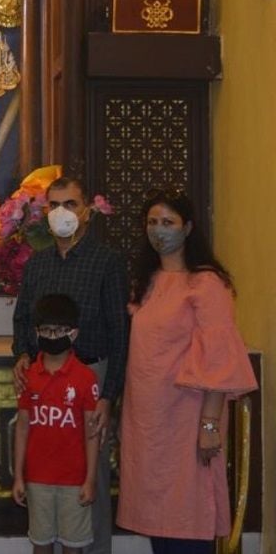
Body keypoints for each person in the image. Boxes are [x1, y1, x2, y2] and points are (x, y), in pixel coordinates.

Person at [116, 188, 257, 554]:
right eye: (152, 222)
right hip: (148, 425)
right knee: (158, 522)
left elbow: (218, 358)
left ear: (189, 227)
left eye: (168, 222)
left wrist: (210, 425)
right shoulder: (146, 282)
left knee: (187, 518)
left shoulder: (207, 283)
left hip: (188, 419)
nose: (158, 230)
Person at [13, 176, 128, 554]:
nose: (62, 213)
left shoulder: (107, 263)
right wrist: (22, 355)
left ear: (88, 212)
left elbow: (119, 331)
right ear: (44, 212)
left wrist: (108, 397)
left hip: (90, 377)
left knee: (87, 480)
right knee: (45, 476)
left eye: (71, 204)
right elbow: (23, 319)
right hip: (44, 379)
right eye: (54, 205)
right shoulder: (38, 265)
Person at [13, 294, 100, 554]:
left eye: (59, 330)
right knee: (41, 543)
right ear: (37, 332)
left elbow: (91, 432)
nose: (52, 337)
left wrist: (90, 479)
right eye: (46, 330)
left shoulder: (85, 378)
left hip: (74, 479)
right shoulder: (28, 377)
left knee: (73, 546)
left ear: (73, 334)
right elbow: (22, 427)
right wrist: (19, 476)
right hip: (37, 479)